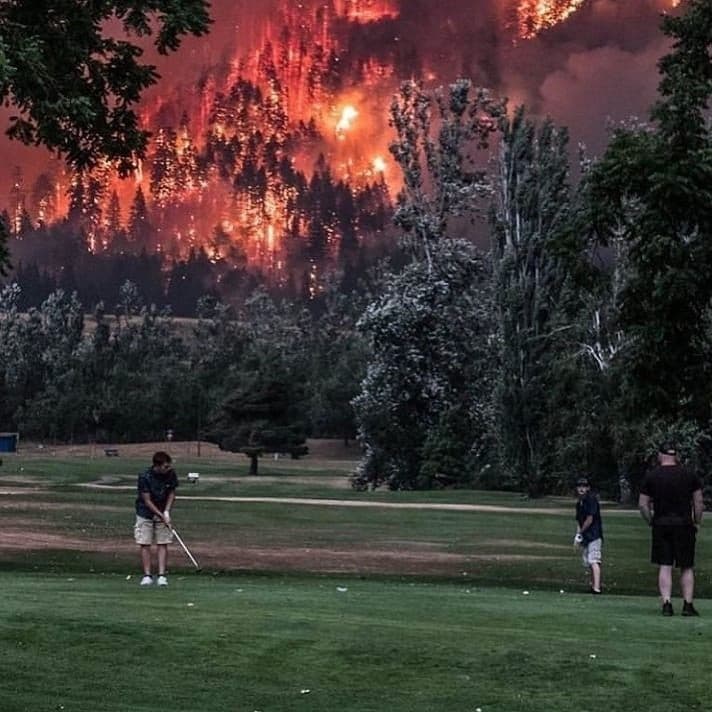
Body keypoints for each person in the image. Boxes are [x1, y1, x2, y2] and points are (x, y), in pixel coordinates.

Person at [638, 443, 704, 616]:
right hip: (684, 524)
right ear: (676, 455)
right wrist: (697, 521)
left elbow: (643, 504)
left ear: (661, 455)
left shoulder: (652, 476)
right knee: (686, 566)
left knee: (665, 565)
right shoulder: (689, 474)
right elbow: (698, 502)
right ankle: (688, 604)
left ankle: (666, 603)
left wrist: (651, 521)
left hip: (661, 524)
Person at [134, 451, 178, 586]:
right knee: (145, 543)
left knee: (163, 542)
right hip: (145, 512)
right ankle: (147, 575)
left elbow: (171, 493)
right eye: (165, 466)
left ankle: (162, 576)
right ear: (157, 466)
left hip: (162, 509)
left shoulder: (170, 474)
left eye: (168, 466)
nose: (167, 468)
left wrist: (166, 512)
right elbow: (147, 500)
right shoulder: (145, 476)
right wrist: (160, 514)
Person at [573, 476, 603, 594]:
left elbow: (590, 519)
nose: (581, 488)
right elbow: (579, 521)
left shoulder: (591, 500)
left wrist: (581, 532)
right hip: (586, 536)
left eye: (584, 486)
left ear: (588, 488)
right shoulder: (579, 503)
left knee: (594, 560)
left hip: (594, 535)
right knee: (588, 562)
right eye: (579, 486)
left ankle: (597, 588)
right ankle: (593, 585)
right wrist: (578, 536)